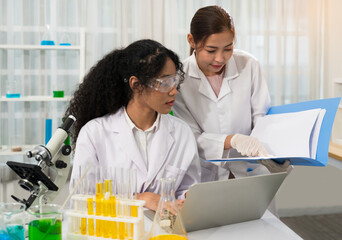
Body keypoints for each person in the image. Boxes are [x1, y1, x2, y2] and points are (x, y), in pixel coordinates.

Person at [66, 39, 201, 211]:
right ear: (136, 84)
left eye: (174, 80)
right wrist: (139, 199)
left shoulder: (182, 133)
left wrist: (188, 199)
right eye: (165, 82)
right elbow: (81, 201)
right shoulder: (95, 133)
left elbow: (187, 189)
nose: (174, 90)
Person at [172, 5, 289, 182]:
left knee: (257, 210)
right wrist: (231, 141)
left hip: (252, 170)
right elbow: (190, 137)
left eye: (228, 48)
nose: (220, 58)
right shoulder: (179, 79)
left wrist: (273, 153)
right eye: (211, 50)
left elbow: (261, 117)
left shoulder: (249, 65)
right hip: (207, 173)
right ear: (191, 40)